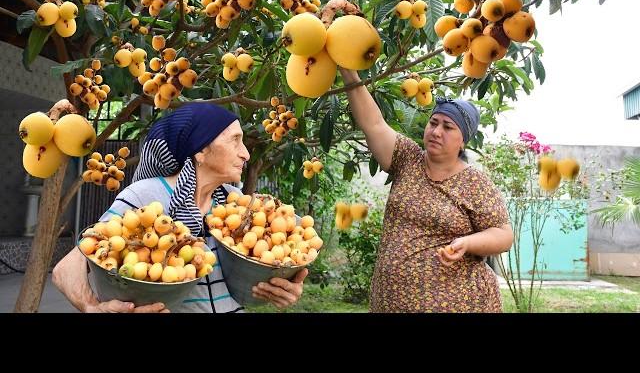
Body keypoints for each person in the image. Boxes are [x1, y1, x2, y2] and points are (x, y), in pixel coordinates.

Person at [52, 102, 307, 313]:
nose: (246, 154)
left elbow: (248, 270)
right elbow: (67, 269)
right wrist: (91, 307)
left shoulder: (234, 201)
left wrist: (282, 284)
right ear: (201, 151)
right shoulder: (147, 196)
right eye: (235, 141)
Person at [340, 67, 513, 313]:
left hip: (459, 303)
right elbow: (374, 123)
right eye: (434, 122)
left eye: (448, 127)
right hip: (391, 303)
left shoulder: (476, 183)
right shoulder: (407, 159)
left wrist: (468, 242)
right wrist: (348, 72)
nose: (436, 132)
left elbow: (504, 234)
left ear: (463, 139)